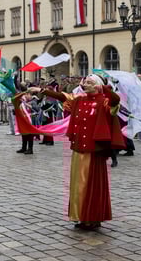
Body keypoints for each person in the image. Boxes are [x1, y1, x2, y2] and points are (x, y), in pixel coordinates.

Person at [32, 74, 123, 230]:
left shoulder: (104, 101)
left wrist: (104, 89)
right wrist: (42, 91)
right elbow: (63, 97)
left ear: (97, 85)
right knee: (77, 184)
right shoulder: (79, 100)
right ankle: (80, 216)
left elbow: (115, 101)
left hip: (94, 151)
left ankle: (93, 218)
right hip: (78, 148)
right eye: (85, 82)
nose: (85, 84)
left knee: (92, 185)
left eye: (89, 82)